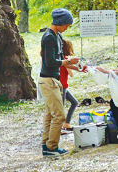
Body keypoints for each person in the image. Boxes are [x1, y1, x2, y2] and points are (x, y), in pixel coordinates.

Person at [39, 8, 79, 157]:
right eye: (66, 24)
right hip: (48, 80)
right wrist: (67, 61)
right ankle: (52, 147)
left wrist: (77, 67)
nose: (67, 27)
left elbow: (62, 60)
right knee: (59, 115)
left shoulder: (58, 36)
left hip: (55, 80)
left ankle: (46, 145)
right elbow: (50, 62)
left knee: (50, 114)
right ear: (60, 22)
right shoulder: (49, 37)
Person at [59, 40, 80, 132]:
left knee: (74, 102)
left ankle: (67, 123)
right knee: (60, 107)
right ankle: (58, 128)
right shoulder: (65, 60)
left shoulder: (60, 59)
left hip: (64, 86)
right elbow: (70, 74)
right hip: (62, 86)